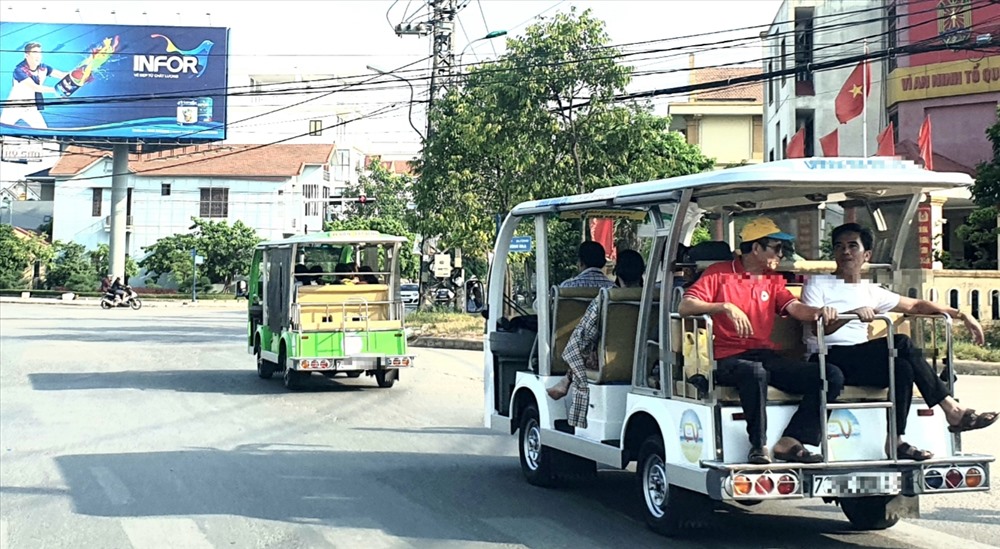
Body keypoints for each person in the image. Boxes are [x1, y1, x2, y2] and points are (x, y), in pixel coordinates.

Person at [801, 223, 998, 460]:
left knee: (902, 368)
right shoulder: (817, 284)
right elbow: (817, 327)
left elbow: (915, 305)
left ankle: (895, 440)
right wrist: (853, 313)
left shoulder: (871, 291)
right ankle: (951, 408)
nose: (845, 252)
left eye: (853, 246)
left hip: (857, 360)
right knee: (901, 342)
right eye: (839, 247)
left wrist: (961, 315)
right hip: (827, 358)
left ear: (866, 255)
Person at [679, 217, 843, 465]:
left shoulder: (771, 279)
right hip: (726, 358)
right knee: (753, 372)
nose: (782, 254)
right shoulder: (718, 273)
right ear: (756, 248)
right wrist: (724, 307)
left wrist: (819, 312)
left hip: (765, 356)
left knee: (830, 374)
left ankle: (792, 439)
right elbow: (685, 306)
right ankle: (758, 446)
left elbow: (795, 307)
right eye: (777, 247)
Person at [548, 250, 645, 429]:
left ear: (617, 271)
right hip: (646, 363)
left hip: (609, 364)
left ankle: (566, 380)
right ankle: (565, 381)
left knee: (580, 346)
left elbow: (584, 335)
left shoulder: (607, 297)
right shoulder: (655, 298)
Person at [0, 42, 67, 129]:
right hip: (14, 107)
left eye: (39, 53)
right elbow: (35, 87)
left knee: (44, 133)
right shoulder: (19, 70)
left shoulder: (43, 67)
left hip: (30, 108)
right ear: (27, 55)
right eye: (35, 52)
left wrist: (82, 75)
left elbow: (62, 75)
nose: (38, 56)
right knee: (3, 132)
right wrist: (56, 90)